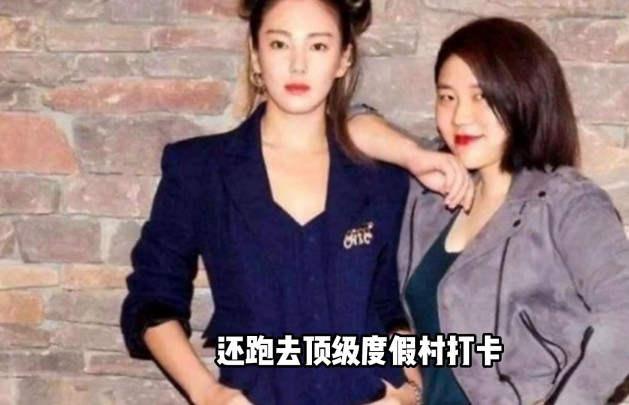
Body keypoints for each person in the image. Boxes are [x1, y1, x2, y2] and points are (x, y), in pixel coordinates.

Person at [119, 0, 471, 404]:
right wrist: (209, 394)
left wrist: (410, 392)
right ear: (256, 54)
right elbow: (152, 298)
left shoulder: (383, 179)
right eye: (280, 44)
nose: (298, 65)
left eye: (318, 46)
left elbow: (389, 309)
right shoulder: (200, 169)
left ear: (343, 59)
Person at [352, 17, 629, 405]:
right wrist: (412, 155)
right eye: (447, 97)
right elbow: (348, 121)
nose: (460, 116)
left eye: (480, 96)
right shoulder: (434, 187)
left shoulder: (564, 201)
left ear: (523, 97)